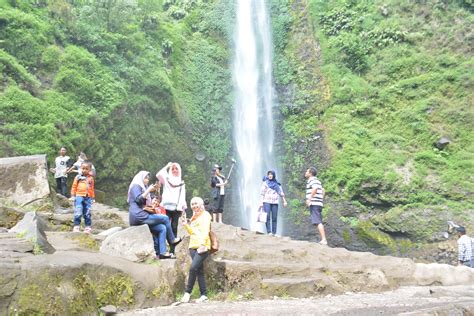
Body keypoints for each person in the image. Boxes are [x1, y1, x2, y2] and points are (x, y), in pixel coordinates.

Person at [128, 171, 182, 259]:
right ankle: (172, 240)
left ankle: (162, 253)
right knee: (165, 218)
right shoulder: (135, 186)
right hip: (138, 216)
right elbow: (138, 200)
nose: (147, 180)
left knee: (162, 228)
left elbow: (148, 202)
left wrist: (155, 190)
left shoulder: (143, 188)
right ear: (140, 178)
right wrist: (149, 190)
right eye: (145, 178)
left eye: (148, 179)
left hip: (142, 215)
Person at [180, 197, 212, 303]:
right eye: (192, 204)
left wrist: (203, 244)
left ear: (201, 204)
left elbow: (206, 230)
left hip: (202, 246)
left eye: (196, 203)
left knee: (193, 268)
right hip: (192, 246)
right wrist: (185, 225)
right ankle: (204, 295)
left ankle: (187, 292)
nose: (194, 205)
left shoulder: (205, 215)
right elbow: (192, 232)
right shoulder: (194, 217)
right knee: (199, 271)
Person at [156, 162, 187, 256]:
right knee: (164, 227)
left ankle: (172, 251)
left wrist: (182, 209)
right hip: (165, 207)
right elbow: (158, 174)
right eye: (172, 169)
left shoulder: (181, 183)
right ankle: (162, 250)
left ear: (179, 170)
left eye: (176, 168)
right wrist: (167, 166)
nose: (174, 170)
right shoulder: (166, 179)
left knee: (174, 228)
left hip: (176, 208)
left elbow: (182, 196)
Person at [260, 170, 288, 236]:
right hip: (266, 201)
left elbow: (281, 193)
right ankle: (269, 232)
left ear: (273, 175)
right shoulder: (265, 183)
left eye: (271, 174)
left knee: (274, 217)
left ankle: (274, 233)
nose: (270, 175)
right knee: (267, 217)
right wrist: (261, 202)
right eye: (269, 174)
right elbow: (262, 193)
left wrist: (284, 201)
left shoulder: (277, 184)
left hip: (275, 202)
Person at [71, 161, 95, 233]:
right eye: (83, 168)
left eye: (86, 169)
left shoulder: (91, 178)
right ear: (81, 168)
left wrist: (93, 197)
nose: (84, 170)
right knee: (78, 210)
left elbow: (92, 188)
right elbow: (74, 186)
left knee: (87, 212)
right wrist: (73, 195)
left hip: (88, 197)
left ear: (90, 170)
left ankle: (87, 227)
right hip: (79, 195)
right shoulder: (78, 177)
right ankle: (76, 226)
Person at [305, 167, 327, 245]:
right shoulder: (318, 181)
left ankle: (324, 239)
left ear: (310, 173)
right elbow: (323, 190)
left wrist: (309, 199)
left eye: (307, 171)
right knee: (318, 221)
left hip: (314, 203)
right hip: (318, 203)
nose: (305, 172)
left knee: (318, 221)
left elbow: (314, 188)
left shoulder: (312, 180)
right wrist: (321, 199)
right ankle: (323, 239)